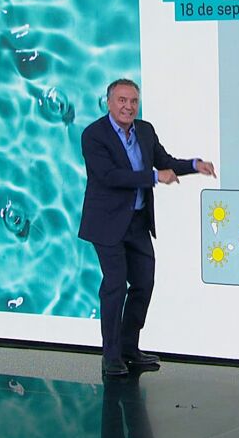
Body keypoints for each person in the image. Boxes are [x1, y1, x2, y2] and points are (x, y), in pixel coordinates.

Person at [79, 79, 216, 377]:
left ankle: (129, 348)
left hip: (138, 222)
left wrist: (195, 165)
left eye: (133, 101)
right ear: (109, 102)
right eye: (122, 100)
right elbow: (110, 176)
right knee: (115, 285)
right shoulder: (93, 135)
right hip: (107, 224)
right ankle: (111, 355)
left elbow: (164, 161)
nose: (128, 106)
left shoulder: (145, 130)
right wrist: (154, 177)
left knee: (143, 284)